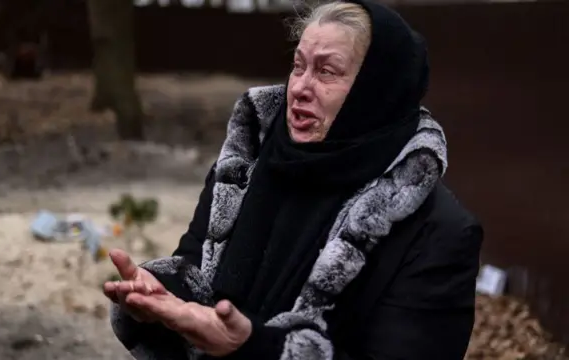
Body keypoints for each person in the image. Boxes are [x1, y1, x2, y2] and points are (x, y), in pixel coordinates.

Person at [103, 0, 483, 358]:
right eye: (298, 65)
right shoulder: (245, 170)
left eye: (327, 72)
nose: (300, 87)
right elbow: (196, 268)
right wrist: (162, 298)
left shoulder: (438, 231)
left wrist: (256, 348)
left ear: (377, 90)